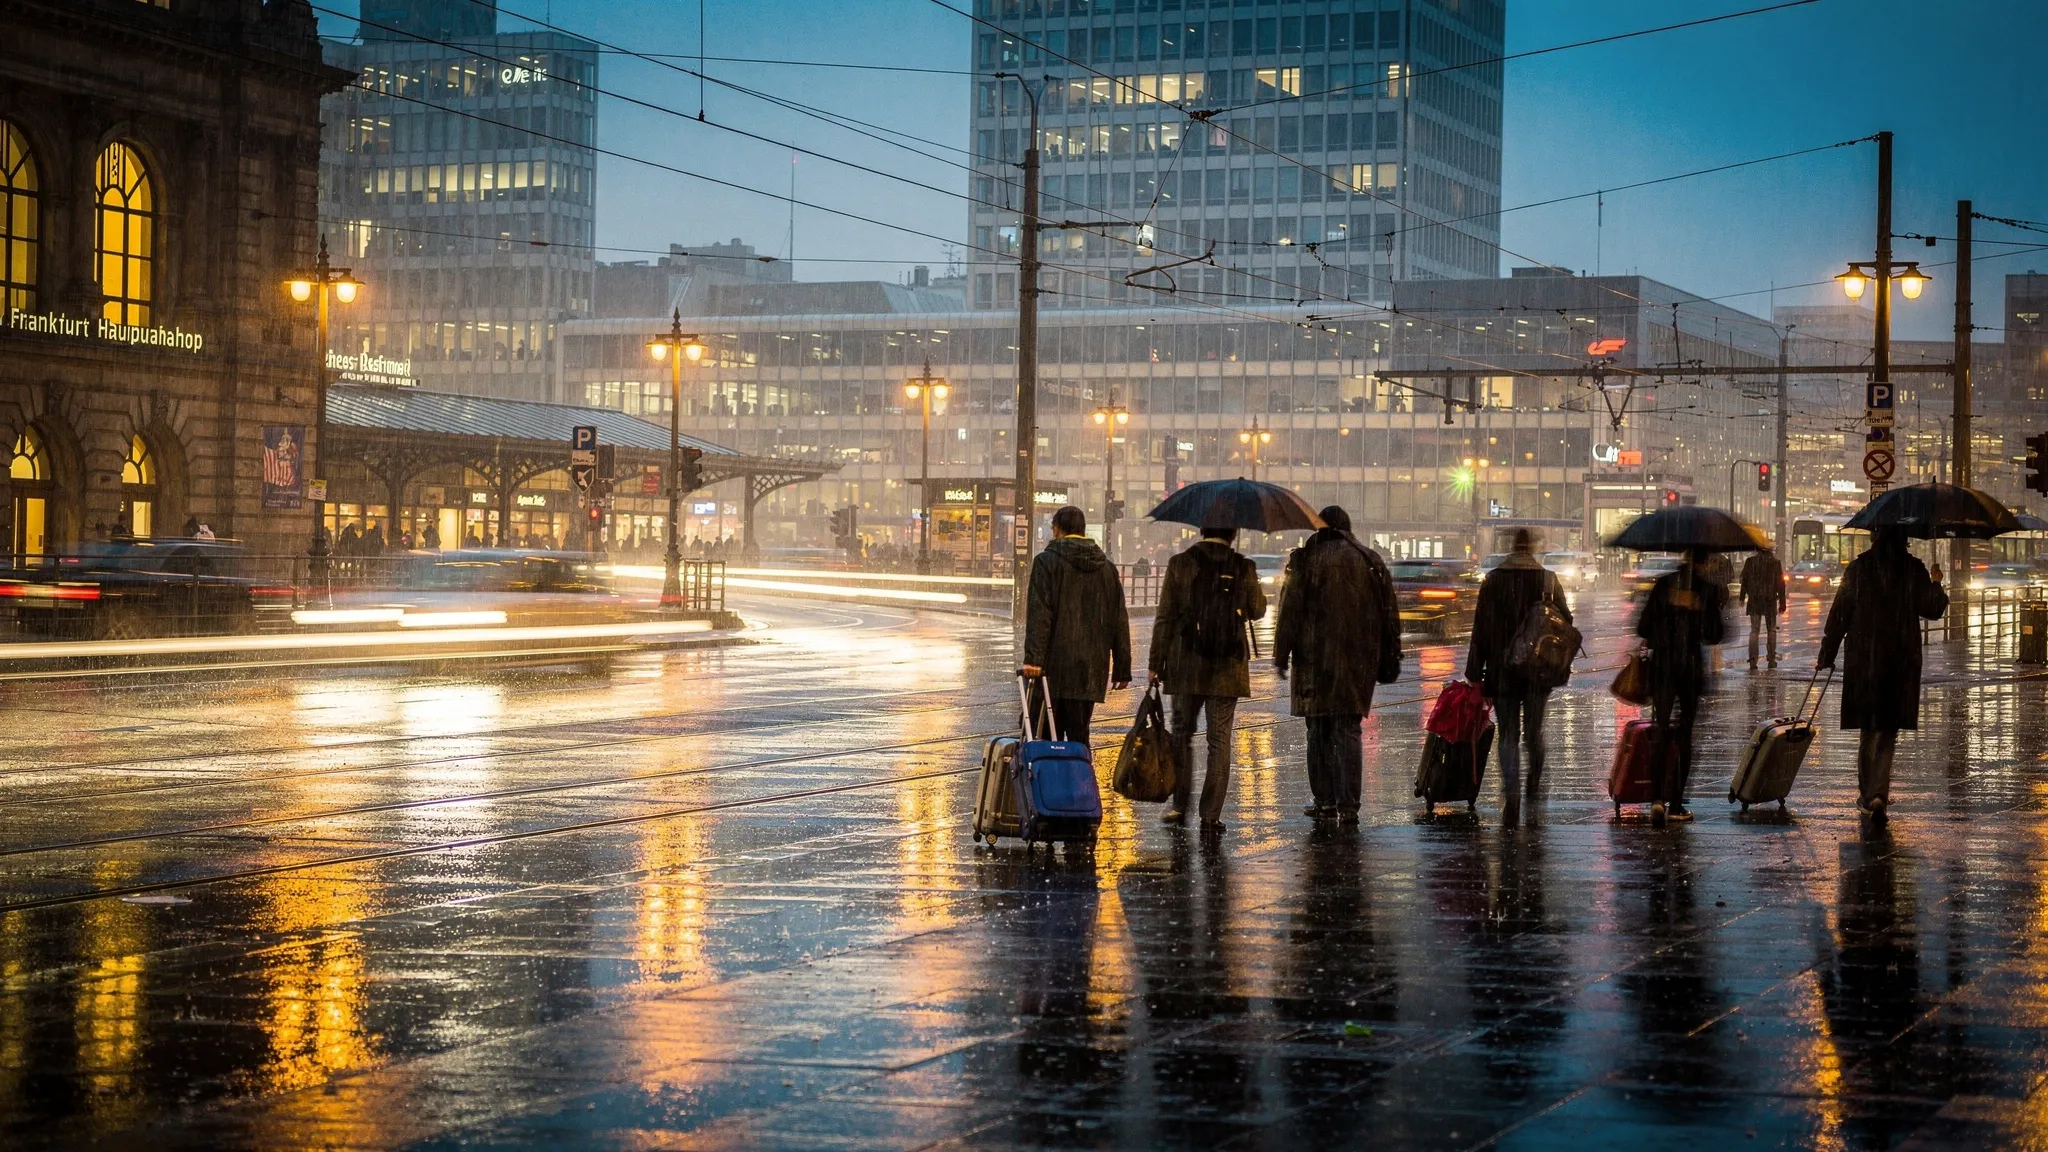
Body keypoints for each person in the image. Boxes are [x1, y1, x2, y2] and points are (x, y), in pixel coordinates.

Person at [1273, 506, 1402, 824]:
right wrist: (1390, 655)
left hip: (1314, 659)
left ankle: (1325, 800)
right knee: (1347, 729)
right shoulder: (1369, 559)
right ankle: (1348, 805)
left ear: (1320, 528)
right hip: (1357, 660)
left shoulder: (1306, 560)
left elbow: (1289, 611)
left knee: (1317, 730)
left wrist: (1281, 653)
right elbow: (1389, 613)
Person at [1817, 527, 1947, 821]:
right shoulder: (1912, 569)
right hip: (1899, 661)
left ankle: (1868, 793)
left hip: (1865, 660)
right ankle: (1878, 793)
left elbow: (1840, 613)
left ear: (1874, 538)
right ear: (1904, 539)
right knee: (1888, 730)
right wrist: (1937, 583)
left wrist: (1827, 653)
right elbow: (1932, 608)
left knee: (1868, 728)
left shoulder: (1859, 568)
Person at [1149, 526, 1267, 831]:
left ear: (1201, 530)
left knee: (1182, 736)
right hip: (1228, 667)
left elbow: (1165, 617)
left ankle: (1179, 806)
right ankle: (1211, 814)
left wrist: (1156, 662)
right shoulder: (1243, 566)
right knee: (1219, 740)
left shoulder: (1180, 563)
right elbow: (1257, 609)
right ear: (1233, 534)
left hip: (1186, 662)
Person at [1463, 528, 1571, 815]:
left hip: (1502, 669)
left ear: (1511, 547)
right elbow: (1566, 621)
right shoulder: (1547, 580)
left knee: (1508, 734)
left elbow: (1480, 630)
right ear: (1532, 549)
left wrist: (1474, 671)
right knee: (1534, 733)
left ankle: (1511, 793)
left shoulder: (1493, 580)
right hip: (1538, 671)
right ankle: (1534, 786)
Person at [1633, 546, 1728, 826]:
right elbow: (1716, 634)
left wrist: (1667, 621)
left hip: (1663, 666)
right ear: (1705, 561)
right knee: (1685, 734)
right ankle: (1676, 802)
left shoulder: (1664, 583)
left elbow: (1642, 627)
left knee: (1661, 729)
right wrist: (1699, 613)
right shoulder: (1707, 589)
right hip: (1689, 669)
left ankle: (1656, 799)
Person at [1022, 506, 1132, 746]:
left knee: (1045, 738)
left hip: (1054, 667)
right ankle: (1079, 780)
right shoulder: (1106, 568)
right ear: (1083, 531)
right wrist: (1123, 667)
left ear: (1058, 529)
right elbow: (1118, 619)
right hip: (1090, 670)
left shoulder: (1046, 563)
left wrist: (1033, 659)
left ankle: (1051, 783)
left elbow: (1040, 614)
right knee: (1079, 737)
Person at [1739, 545, 1788, 669]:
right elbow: (1780, 584)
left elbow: (1744, 581)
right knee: (1771, 629)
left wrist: (1742, 597)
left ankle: (1753, 660)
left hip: (1755, 600)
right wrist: (1782, 603)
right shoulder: (1775, 563)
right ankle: (1771, 658)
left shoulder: (1750, 562)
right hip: (1769, 601)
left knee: (1754, 631)